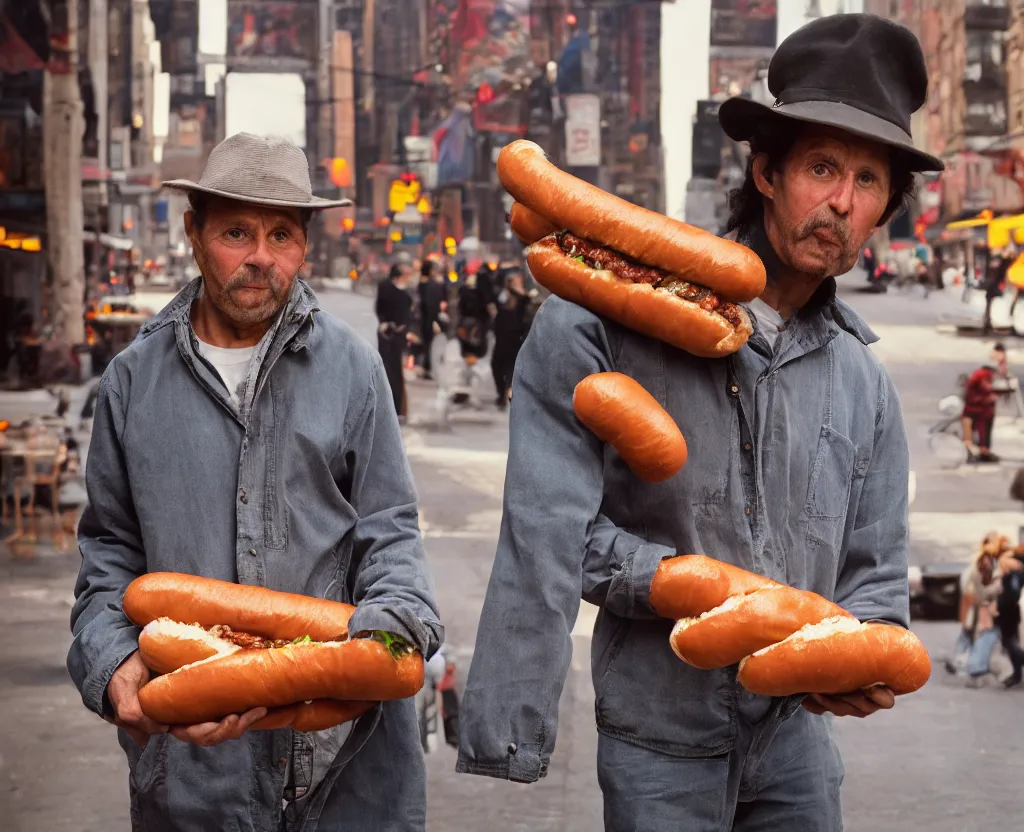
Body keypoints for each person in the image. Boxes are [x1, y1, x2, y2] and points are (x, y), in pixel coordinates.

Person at [458, 15, 939, 830]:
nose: (840, 202)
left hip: (797, 747)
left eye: (867, 181)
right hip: (658, 738)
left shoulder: (865, 384)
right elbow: (553, 530)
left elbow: (877, 578)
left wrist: (861, 655)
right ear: (765, 172)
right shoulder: (610, 327)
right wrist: (674, 583)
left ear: (886, 206)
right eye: (822, 167)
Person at [67, 133, 442, 832]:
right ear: (195, 235)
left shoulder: (354, 371)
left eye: (282, 234)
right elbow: (109, 559)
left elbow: (390, 534)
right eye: (236, 232)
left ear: (304, 246)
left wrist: (389, 637)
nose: (261, 257)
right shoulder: (131, 383)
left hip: (349, 770)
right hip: (193, 779)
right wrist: (113, 659)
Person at [944, 536, 1004, 686]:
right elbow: (970, 595)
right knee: (975, 637)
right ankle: (970, 665)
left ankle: (969, 665)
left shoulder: (995, 570)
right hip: (981, 615)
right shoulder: (977, 571)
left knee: (980, 638)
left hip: (986, 615)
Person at [376, 261, 415, 418]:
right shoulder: (391, 289)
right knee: (390, 370)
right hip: (390, 333)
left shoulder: (400, 291)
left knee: (394, 370)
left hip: (395, 333)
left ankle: (394, 406)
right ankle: (391, 405)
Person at [491, 270, 531, 409]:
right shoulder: (503, 295)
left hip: (514, 335)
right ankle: (501, 391)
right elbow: (496, 301)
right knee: (496, 365)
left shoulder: (522, 298)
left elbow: (526, 300)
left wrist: (516, 290)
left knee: (510, 367)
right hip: (502, 334)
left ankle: (505, 392)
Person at [961, 343, 1008, 463]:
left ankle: (983, 450)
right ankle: (983, 451)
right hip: (977, 408)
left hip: (980, 406)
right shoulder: (983, 374)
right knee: (983, 427)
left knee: (984, 427)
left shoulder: (987, 371)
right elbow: (987, 388)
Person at [417, 259, 447, 380]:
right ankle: (429, 367)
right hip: (430, 319)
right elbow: (432, 304)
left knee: (427, 343)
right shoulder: (432, 285)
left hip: (425, 318)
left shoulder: (422, 284)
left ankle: (426, 366)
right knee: (430, 344)